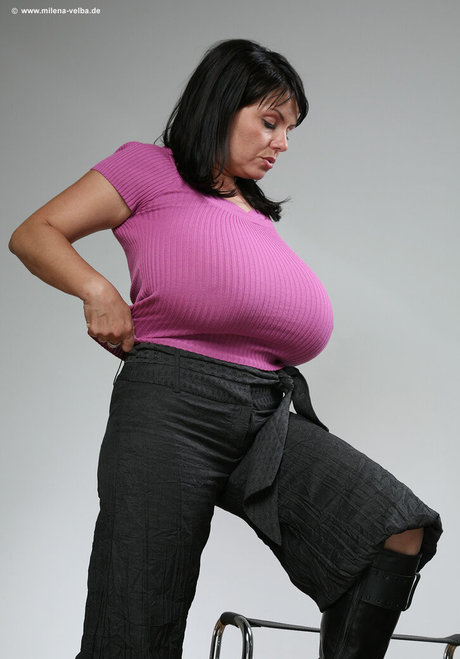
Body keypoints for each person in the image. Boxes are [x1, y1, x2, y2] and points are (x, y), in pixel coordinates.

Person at [9, 39, 442, 659]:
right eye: (270, 122)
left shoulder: (252, 209)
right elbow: (35, 233)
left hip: (265, 412)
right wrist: (96, 289)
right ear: (220, 105)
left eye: (289, 130)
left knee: (392, 529)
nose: (282, 143)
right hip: (171, 406)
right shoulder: (148, 168)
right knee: (136, 622)